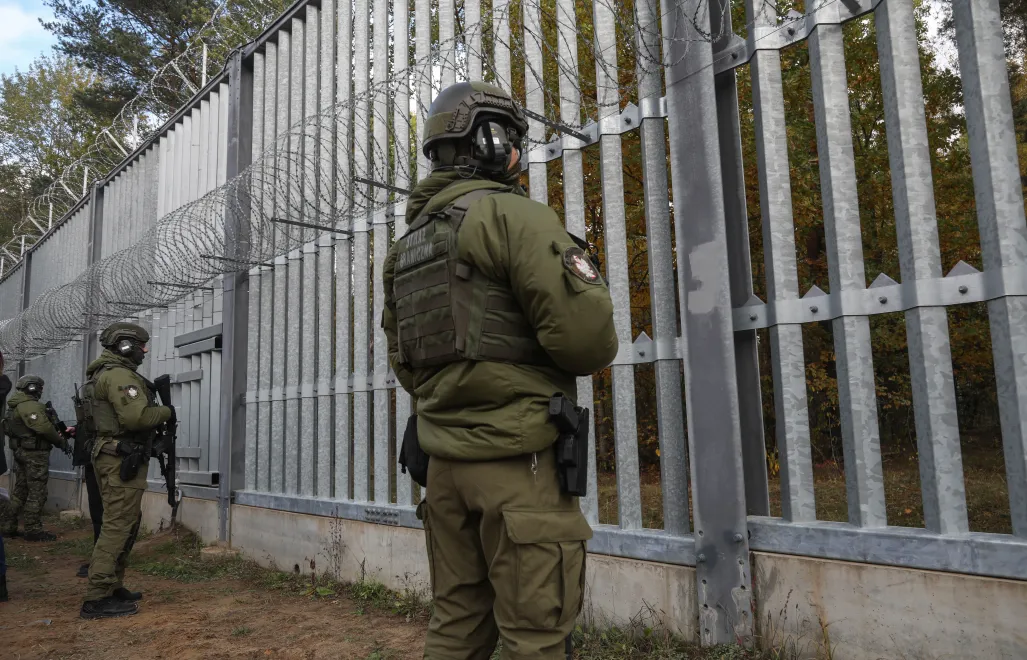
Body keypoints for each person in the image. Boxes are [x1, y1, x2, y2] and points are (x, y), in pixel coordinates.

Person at [382, 81, 618, 659]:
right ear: (489, 141)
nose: (515, 152)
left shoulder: (406, 246)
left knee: (457, 623)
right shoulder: (514, 217)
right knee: (533, 636)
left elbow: (406, 364)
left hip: (444, 469)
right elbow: (588, 342)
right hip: (518, 465)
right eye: (510, 138)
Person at [80, 322, 173, 620]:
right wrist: (167, 411)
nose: (144, 350)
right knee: (118, 524)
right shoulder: (119, 375)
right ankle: (96, 597)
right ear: (124, 345)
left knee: (126, 522)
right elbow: (137, 417)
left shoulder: (104, 373)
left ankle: (111, 585)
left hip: (115, 456)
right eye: (141, 345)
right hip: (120, 457)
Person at [0, 375, 72, 542]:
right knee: (37, 491)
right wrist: (61, 441)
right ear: (33, 388)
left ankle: (8, 526)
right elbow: (44, 428)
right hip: (34, 454)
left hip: (21, 451)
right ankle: (33, 529)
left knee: (21, 491)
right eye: (39, 387)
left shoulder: (15, 404)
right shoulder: (29, 405)